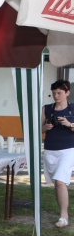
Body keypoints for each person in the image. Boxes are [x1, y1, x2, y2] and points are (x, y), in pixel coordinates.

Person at [41, 79, 74, 228]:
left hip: (68, 149)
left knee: (60, 181)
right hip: (50, 150)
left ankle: (64, 216)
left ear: (67, 93)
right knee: (57, 183)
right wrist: (45, 128)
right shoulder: (47, 109)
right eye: (54, 93)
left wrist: (70, 124)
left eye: (59, 93)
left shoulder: (73, 108)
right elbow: (38, 129)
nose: (56, 96)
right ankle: (62, 212)